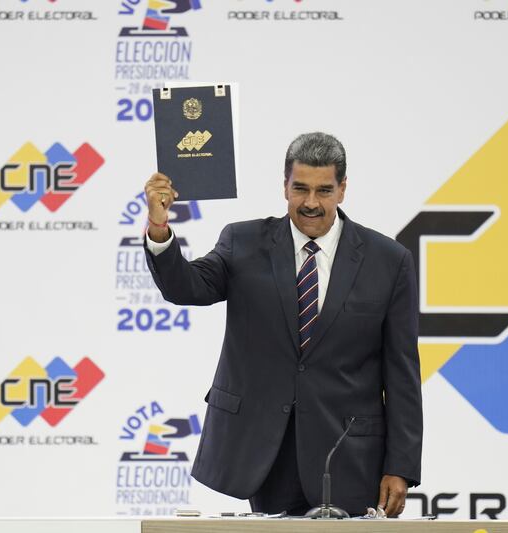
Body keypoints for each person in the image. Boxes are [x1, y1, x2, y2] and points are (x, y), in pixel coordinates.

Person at [144, 132, 422, 517]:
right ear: (284, 187)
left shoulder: (389, 261)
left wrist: (401, 466)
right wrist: (160, 231)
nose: (311, 203)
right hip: (266, 456)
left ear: (343, 189)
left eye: (324, 190)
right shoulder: (242, 242)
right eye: (300, 189)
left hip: (349, 456)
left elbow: (403, 374)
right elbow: (185, 287)